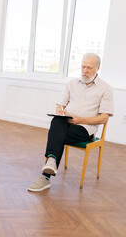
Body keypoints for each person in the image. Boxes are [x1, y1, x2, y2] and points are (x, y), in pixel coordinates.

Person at [28, 53, 114, 192]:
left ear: (98, 68)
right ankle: (51, 162)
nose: (85, 70)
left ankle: (47, 174)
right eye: (83, 66)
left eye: (89, 68)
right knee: (57, 121)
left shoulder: (105, 89)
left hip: (85, 129)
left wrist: (80, 120)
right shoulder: (71, 84)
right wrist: (60, 110)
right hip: (66, 124)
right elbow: (60, 105)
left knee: (57, 133)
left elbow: (104, 118)